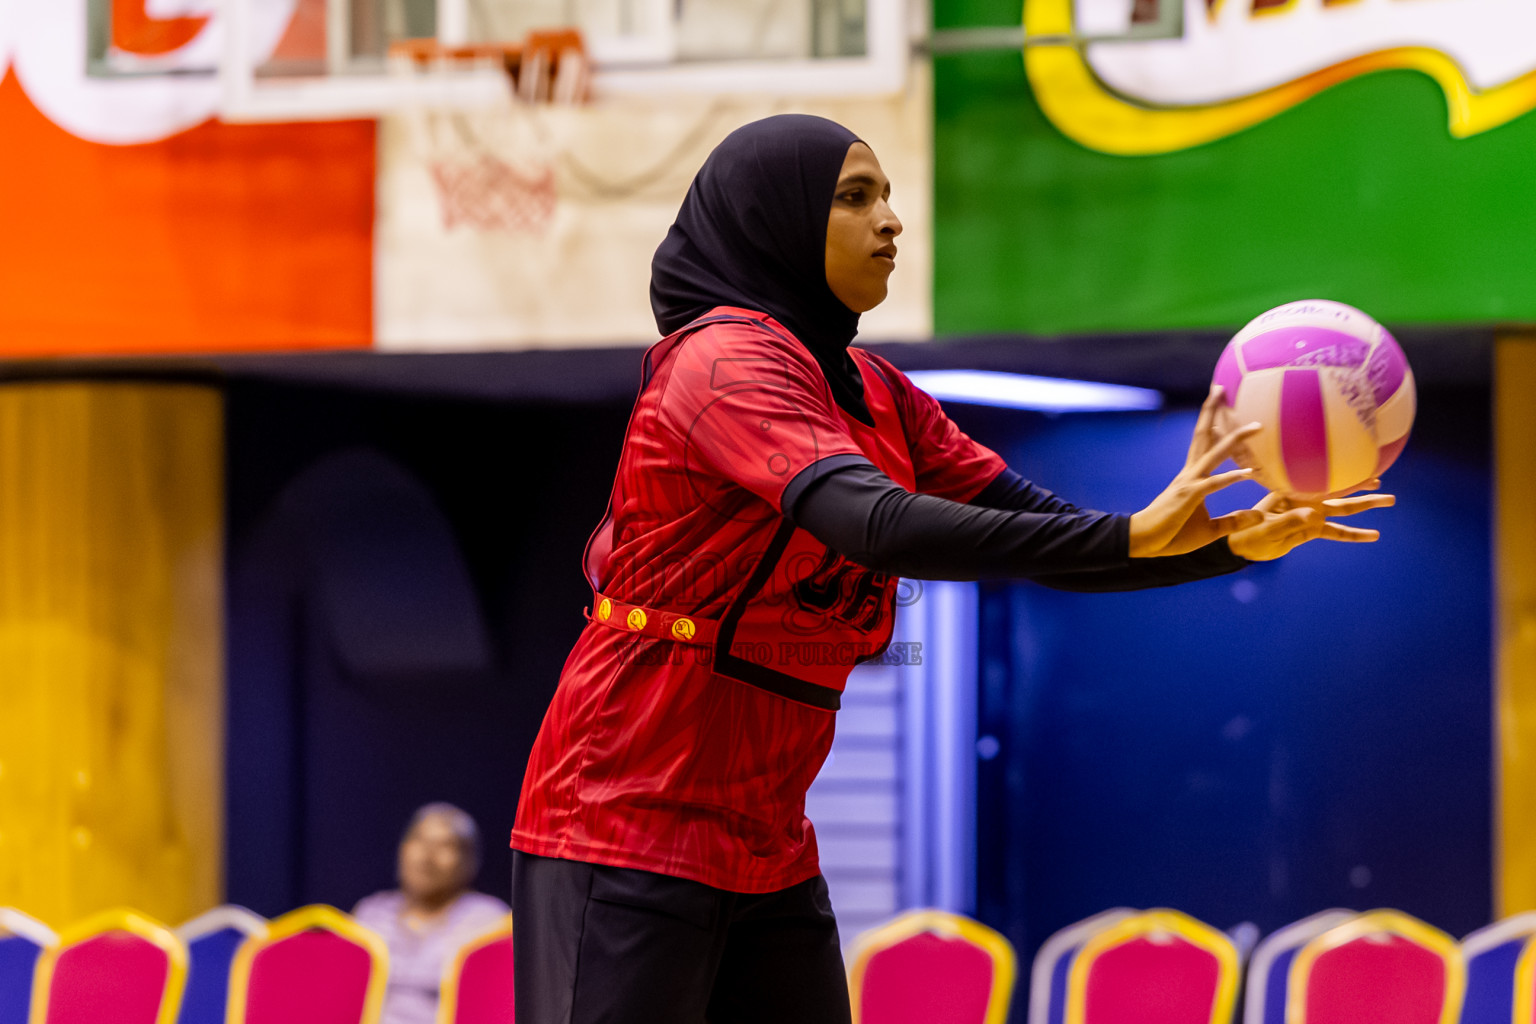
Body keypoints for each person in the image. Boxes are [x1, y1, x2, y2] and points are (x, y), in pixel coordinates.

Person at [509, 113, 1392, 1023]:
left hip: (766, 838)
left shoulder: (879, 392)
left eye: (889, 195)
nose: (891, 220)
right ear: (774, 221)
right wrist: (1135, 536)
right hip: (624, 815)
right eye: (855, 197)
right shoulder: (725, 360)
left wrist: (1229, 539)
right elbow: (876, 525)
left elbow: (1052, 534)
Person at [354, 803, 510, 1024]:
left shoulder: (489, 921)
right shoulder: (371, 913)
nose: (427, 857)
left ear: (469, 861)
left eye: (445, 845)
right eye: (419, 840)